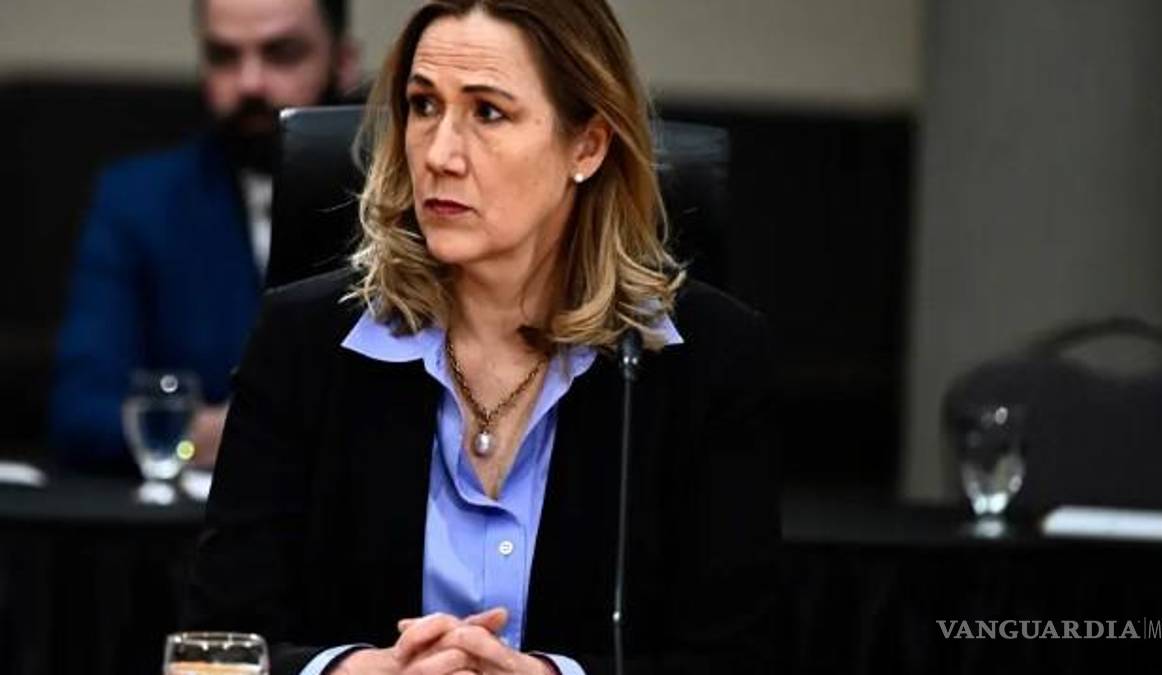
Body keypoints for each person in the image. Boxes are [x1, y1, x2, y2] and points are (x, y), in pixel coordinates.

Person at [186, 0, 781, 673]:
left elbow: (739, 659)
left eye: (488, 112)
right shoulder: (306, 341)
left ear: (587, 145)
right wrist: (352, 670)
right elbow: (215, 649)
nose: (440, 154)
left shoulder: (707, 359)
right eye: (423, 105)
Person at [48, 0, 360, 471]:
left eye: (282, 54)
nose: (250, 83)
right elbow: (80, 411)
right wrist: (218, 438)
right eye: (223, 56)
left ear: (343, 61)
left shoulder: (409, 201)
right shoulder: (139, 201)